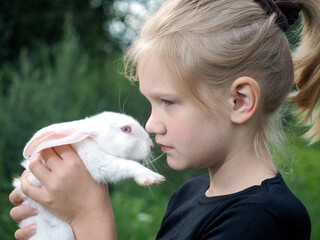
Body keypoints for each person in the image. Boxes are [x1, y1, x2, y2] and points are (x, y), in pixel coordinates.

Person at [9, 0, 319, 239]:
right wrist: (64, 224)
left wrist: (89, 217)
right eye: (151, 103)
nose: (152, 125)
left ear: (240, 101)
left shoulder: (261, 220)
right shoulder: (188, 195)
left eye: (168, 102)